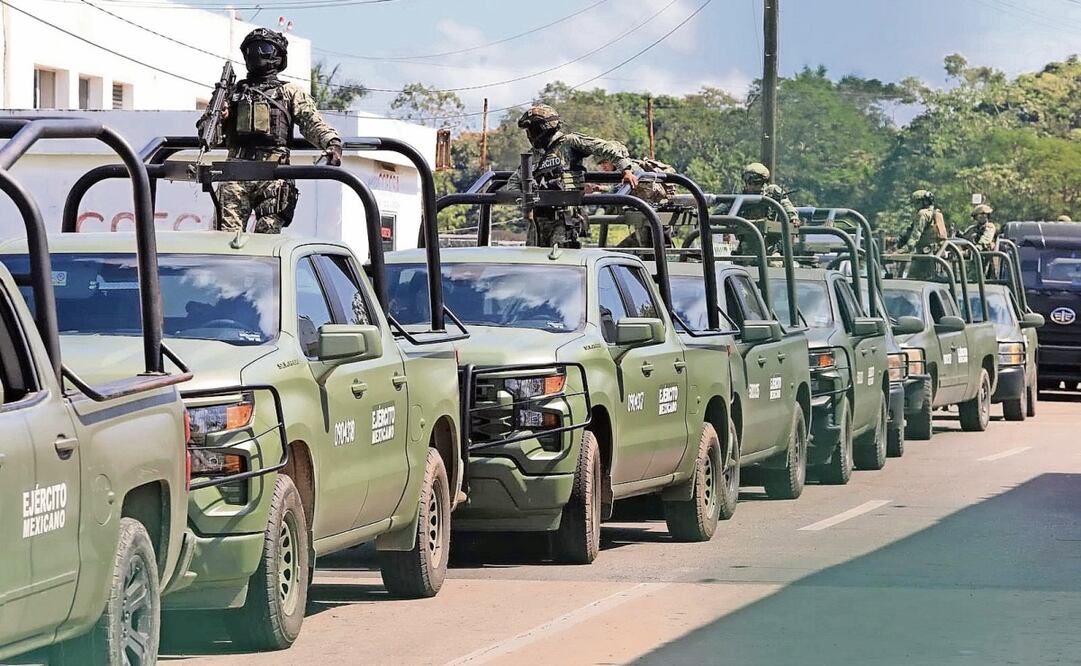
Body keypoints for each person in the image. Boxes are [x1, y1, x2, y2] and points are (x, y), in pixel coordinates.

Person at [197, 28, 342, 233]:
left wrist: (331, 143)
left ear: (278, 55)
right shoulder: (232, 92)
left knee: (268, 241)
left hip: (274, 172)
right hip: (236, 169)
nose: (257, 53)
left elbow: (312, 122)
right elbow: (208, 135)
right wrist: (220, 115)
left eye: (263, 48)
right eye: (252, 49)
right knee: (226, 241)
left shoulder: (290, 92)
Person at [504, 105, 637, 247]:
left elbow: (605, 148)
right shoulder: (532, 155)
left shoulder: (569, 142)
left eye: (532, 130)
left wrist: (626, 169)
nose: (529, 135)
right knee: (534, 261)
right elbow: (513, 183)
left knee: (560, 257)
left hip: (565, 217)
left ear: (544, 128)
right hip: (538, 220)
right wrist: (524, 199)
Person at [594, 156, 677, 251]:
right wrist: (601, 189)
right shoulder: (623, 169)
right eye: (601, 164)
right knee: (648, 244)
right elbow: (620, 188)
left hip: (653, 208)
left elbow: (620, 191)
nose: (603, 167)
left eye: (605, 163)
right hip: (646, 210)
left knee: (652, 245)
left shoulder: (629, 169)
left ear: (613, 161)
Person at [729, 162, 800, 261]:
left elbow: (786, 205)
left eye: (756, 183)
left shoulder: (772, 193)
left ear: (763, 182)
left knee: (774, 265)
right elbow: (722, 211)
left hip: (770, 245)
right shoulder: (740, 197)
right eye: (749, 183)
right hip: (747, 245)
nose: (752, 186)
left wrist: (793, 218)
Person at [897, 190, 948, 278]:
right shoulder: (935, 213)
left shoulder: (923, 214)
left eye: (916, 203)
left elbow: (916, 235)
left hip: (923, 255)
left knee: (912, 279)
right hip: (934, 253)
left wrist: (902, 250)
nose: (914, 206)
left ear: (923, 202)